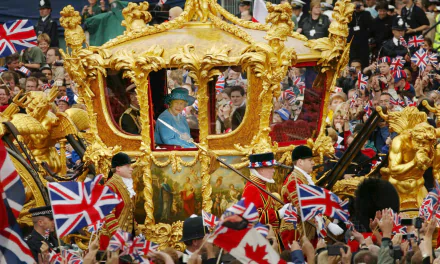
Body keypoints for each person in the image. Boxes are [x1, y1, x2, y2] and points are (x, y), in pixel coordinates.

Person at [242, 152, 288, 252]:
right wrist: (278, 214)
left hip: (271, 235)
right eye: (270, 167)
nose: (273, 170)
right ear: (261, 169)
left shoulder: (261, 185)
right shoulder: (252, 188)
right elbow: (253, 217)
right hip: (264, 239)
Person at [100, 152, 137, 249]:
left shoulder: (126, 184)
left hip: (127, 237)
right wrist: (119, 237)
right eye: (128, 166)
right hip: (113, 240)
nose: (131, 169)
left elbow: (129, 213)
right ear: (118, 168)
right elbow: (108, 215)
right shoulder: (110, 186)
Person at [348, 0, 373, 70]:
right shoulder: (350, 14)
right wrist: (351, 10)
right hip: (352, 42)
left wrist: (363, 11)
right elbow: (348, 23)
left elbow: (369, 25)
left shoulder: (366, 14)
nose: (357, 5)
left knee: (364, 62)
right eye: (356, 3)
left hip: (363, 43)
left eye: (359, 3)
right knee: (352, 62)